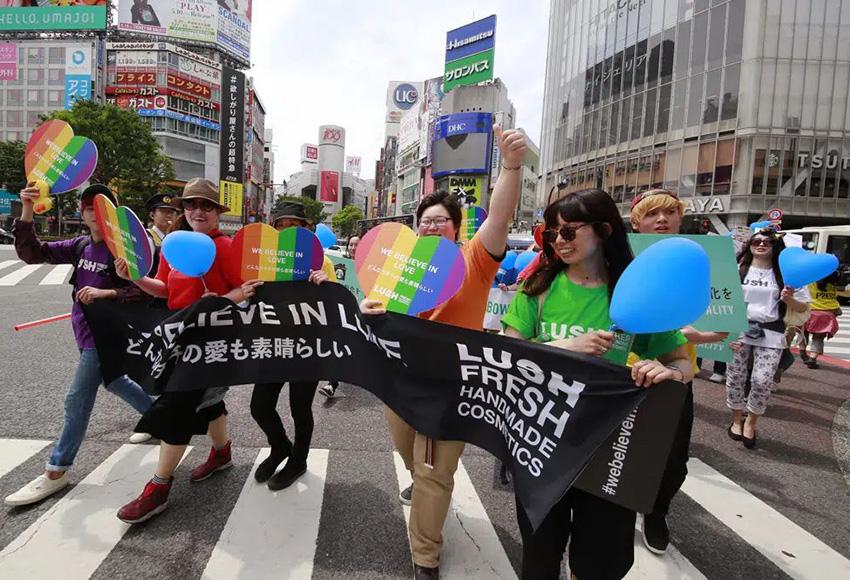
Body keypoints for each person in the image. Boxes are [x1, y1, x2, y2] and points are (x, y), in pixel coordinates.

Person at [361, 125, 528, 579]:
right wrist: (367, 307)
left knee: (434, 474)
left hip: (450, 390)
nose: (431, 226)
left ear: (456, 229)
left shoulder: (474, 259)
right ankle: (421, 486)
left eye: (440, 220)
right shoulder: (402, 269)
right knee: (409, 454)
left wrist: (510, 167)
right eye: (425, 221)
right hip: (400, 385)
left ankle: (426, 558)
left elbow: (499, 219)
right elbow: (376, 309)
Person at [501, 189, 694, 580]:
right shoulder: (538, 288)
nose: (558, 241)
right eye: (550, 233)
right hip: (544, 444)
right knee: (539, 555)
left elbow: (682, 365)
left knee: (600, 562)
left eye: (569, 231)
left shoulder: (635, 294)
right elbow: (507, 354)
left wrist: (666, 372)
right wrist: (565, 346)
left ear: (604, 231)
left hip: (614, 449)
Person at [113, 178, 257, 524]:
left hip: (212, 341)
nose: (197, 211)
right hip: (177, 337)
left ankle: (159, 486)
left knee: (177, 406)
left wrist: (220, 301)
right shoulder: (175, 245)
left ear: (217, 212)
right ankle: (222, 453)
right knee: (208, 401)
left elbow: (247, 289)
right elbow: (164, 289)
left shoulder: (224, 246)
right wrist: (135, 278)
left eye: (205, 205)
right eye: (190, 205)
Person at [5, 184, 155, 507]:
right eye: (88, 206)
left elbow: (144, 293)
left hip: (107, 336)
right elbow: (32, 253)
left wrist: (109, 293)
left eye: (102, 207)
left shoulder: (124, 251)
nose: (93, 212)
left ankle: (56, 470)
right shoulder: (80, 246)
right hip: (83, 331)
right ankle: (158, 415)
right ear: (82, 213)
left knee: (76, 398)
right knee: (114, 381)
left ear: (113, 216)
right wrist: (27, 208)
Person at [629, 188, 728, 554]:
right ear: (637, 220)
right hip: (621, 368)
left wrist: (700, 335)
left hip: (675, 371)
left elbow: (723, 320)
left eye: (670, 212)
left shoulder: (702, 259)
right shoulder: (621, 258)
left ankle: (657, 511)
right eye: (653, 213)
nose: (662, 219)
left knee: (673, 458)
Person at [249, 203, 337, 488]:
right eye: (281, 225)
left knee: (300, 409)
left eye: (294, 225)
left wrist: (326, 284)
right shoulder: (263, 258)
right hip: (272, 344)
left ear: (306, 229)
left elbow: (337, 306)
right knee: (260, 407)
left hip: (308, 347)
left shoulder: (321, 261)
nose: (287, 230)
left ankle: (298, 460)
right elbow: (251, 300)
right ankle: (280, 447)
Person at [727, 228, 810, 449]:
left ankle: (751, 422)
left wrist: (789, 299)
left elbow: (804, 306)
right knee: (735, 377)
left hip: (771, 332)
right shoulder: (737, 269)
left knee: (762, 380)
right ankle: (736, 419)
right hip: (739, 330)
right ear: (749, 244)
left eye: (767, 242)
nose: (761, 244)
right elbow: (722, 298)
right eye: (756, 241)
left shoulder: (785, 275)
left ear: (775, 247)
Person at [319, 234, 359, 399]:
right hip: (341, 311)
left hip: (362, 312)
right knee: (338, 343)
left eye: (357, 245)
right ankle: (332, 383)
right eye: (351, 245)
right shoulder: (337, 263)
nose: (353, 248)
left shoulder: (371, 267)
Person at [801, 267, 849, 368]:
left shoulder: (810, 281)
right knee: (818, 337)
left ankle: (802, 350)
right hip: (827, 313)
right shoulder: (833, 282)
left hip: (810, 311)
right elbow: (842, 287)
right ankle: (813, 357)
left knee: (803, 332)